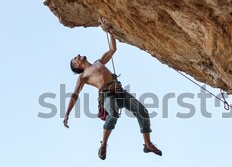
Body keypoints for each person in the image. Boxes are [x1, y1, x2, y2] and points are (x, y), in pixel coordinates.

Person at [63, 28, 162, 160]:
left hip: (120, 91)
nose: (78, 55)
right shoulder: (83, 76)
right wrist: (67, 113)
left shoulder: (99, 62)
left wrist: (110, 31)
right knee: (114, 113)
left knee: (142, 111)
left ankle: (148, 144)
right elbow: (75, 94)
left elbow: (113, 49)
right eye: (75, 58)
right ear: (76, 65)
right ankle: (103, 144)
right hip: (107, 95)